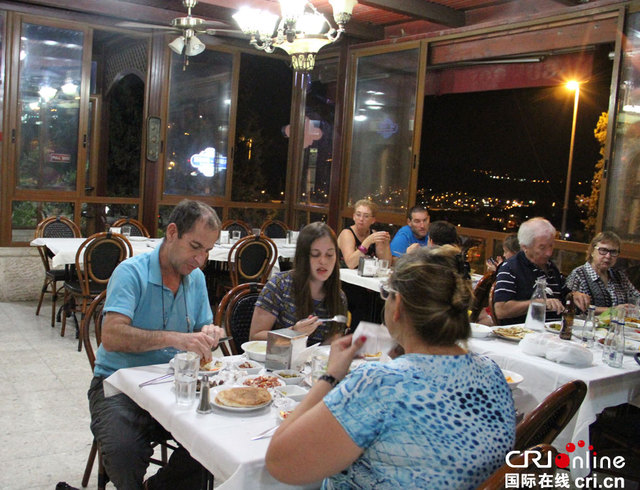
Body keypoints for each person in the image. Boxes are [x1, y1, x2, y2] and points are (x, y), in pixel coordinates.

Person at [265, 245, 515, 488]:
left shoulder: (381, 383)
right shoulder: (492, 373)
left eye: (387, 294)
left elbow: (279, 463)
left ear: (399, 307)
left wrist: (330, 376)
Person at [88, 199, 226, 490]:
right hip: (119, 385)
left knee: (218, 442)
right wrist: (176, 338)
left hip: (172, 384)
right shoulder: (131, 272)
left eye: (208, 251)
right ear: (173, 232)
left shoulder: (196, 278)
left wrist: (209, 333)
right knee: (125, 451)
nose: (200, 259)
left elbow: (202, 325)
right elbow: (111, 336)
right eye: (195, 246)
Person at [250, 222, 348, 345]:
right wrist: (293, 332)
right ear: (303, 257)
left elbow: (332, 343)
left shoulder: (338, 297)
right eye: (315, 254)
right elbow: (254, 337)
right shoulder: (280, 285)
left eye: (329, 255)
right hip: (278, 360)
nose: (323, 261)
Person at [493, 217, 589, 325]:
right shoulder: (510, 267)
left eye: (551, 246)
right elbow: (501, 310)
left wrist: (574, 296)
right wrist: (539, 303)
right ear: (525, 247)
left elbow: (564, 294)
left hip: (552, 331)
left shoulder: (550, 267)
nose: (549, 253)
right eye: (542, 247)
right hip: (521, 333)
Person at [566, 231, 640, 314]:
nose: (608, 256)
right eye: (603, 250)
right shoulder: (578, 275)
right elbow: (572, 306)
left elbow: (637, 298)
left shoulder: (619, 276)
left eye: (613, 252)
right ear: (592, 252)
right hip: (587, 325)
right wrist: (612, 311)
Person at [337, 199, 392, 269]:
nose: (361, 219)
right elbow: (350, 264)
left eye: (366, 216)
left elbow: (386, 265)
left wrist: (386, 245)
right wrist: (367, 242)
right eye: (358, 215)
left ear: (373, 220)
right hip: (344, 276)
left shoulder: (374, 234)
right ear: (353, 217)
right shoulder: (347, 233)